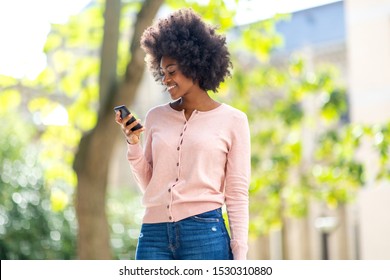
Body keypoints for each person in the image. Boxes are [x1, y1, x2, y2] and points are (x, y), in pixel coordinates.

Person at [115, 8, 251, 260]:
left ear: (194, 64)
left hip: (204, 232)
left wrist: (239, 253)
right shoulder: (156, 117)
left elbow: (237, 192)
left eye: (172, 70)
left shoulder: (233, 120)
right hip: (153, 234)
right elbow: (149, 184)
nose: (165, 79)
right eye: (162, 72)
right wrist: (133, 144)